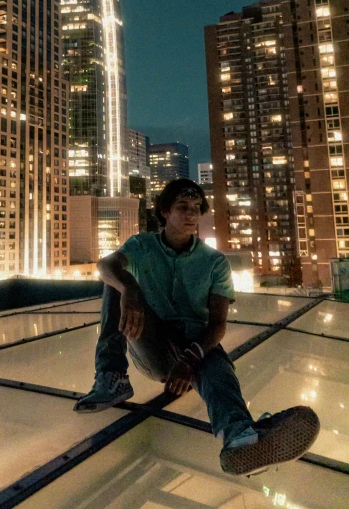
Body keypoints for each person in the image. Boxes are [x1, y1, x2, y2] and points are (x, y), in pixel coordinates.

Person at [74, 178, 320, 476]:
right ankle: (111, 377)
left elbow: (217, 326)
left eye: (196, 208)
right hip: (151, 343)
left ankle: (240, 437)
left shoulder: (214, 262)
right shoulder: (142, 246)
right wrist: (131, 290)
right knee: (116, 279)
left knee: (216, 364)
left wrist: (189, 360)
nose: (191, 214)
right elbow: (105, 266)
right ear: (165, 211)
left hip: (194, 346)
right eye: (183, 207)